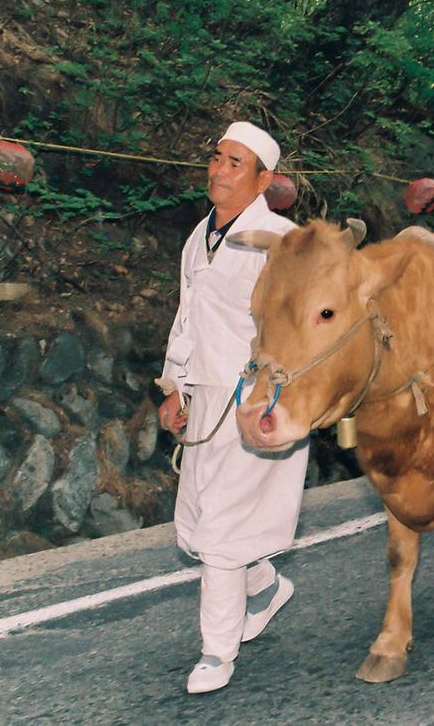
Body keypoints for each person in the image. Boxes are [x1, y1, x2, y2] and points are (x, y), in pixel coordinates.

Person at [159, 121, 306, 694]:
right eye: (217, 157)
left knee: (220, 529)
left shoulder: (284, 242)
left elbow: (299, 331)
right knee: (198, 523)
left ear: (265, 179)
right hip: (207, 397)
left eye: (235, 162)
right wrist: (175, 386)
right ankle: (266, 585)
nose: (219, 169)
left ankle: (217, 653)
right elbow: (187, 315)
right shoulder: (199, 235)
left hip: (258, 400)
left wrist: (270, 397)